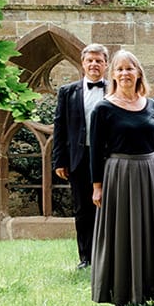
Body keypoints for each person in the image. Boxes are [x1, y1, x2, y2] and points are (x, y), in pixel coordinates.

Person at [89, 49, 154, 306]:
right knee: (123, 231)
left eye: (130, 68)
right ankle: (123, 291)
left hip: (151, 172)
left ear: (138, 72)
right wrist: (97, 186)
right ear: (113, 75)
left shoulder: (153, 106)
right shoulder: (103, 109)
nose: (125, 73)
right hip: (120, 175)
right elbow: (95, 151)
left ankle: (152, 286)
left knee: (151, 229)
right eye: (119, 69)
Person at [52, 43, 109, 269]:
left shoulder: (113, 90)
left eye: (99, 61)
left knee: (108, 207)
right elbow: (60, 127)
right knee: (83, 210)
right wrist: (60, 160)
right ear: (83, 64)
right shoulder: (68, 92)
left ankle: (107, 254)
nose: (94, 64)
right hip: (79, 157)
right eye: (90, 60)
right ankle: (86, 257)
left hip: (108, 158)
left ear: (105, 64)